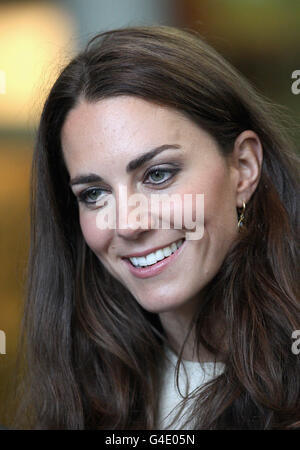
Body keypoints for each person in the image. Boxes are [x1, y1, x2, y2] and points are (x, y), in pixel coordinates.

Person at [12, 26, 300, 430]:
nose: (127, 224)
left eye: (158, 174)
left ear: (244, 169)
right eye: (94, 194)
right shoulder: (88, 386)